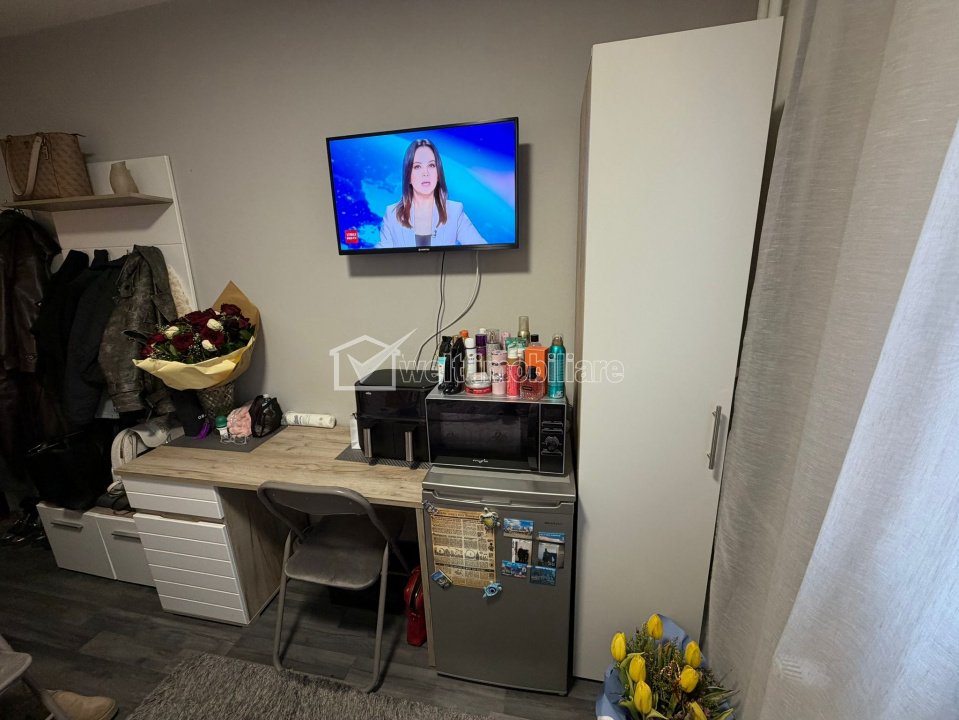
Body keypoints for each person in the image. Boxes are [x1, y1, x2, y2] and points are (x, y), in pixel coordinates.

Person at [378, 139, 487, 248]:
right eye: (417, 166)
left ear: (438, 174)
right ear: (408, 176)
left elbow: (481, 247)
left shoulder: (455, 211)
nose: (425, 173)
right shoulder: (392, 214)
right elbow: (381, 254)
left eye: (431, 165)